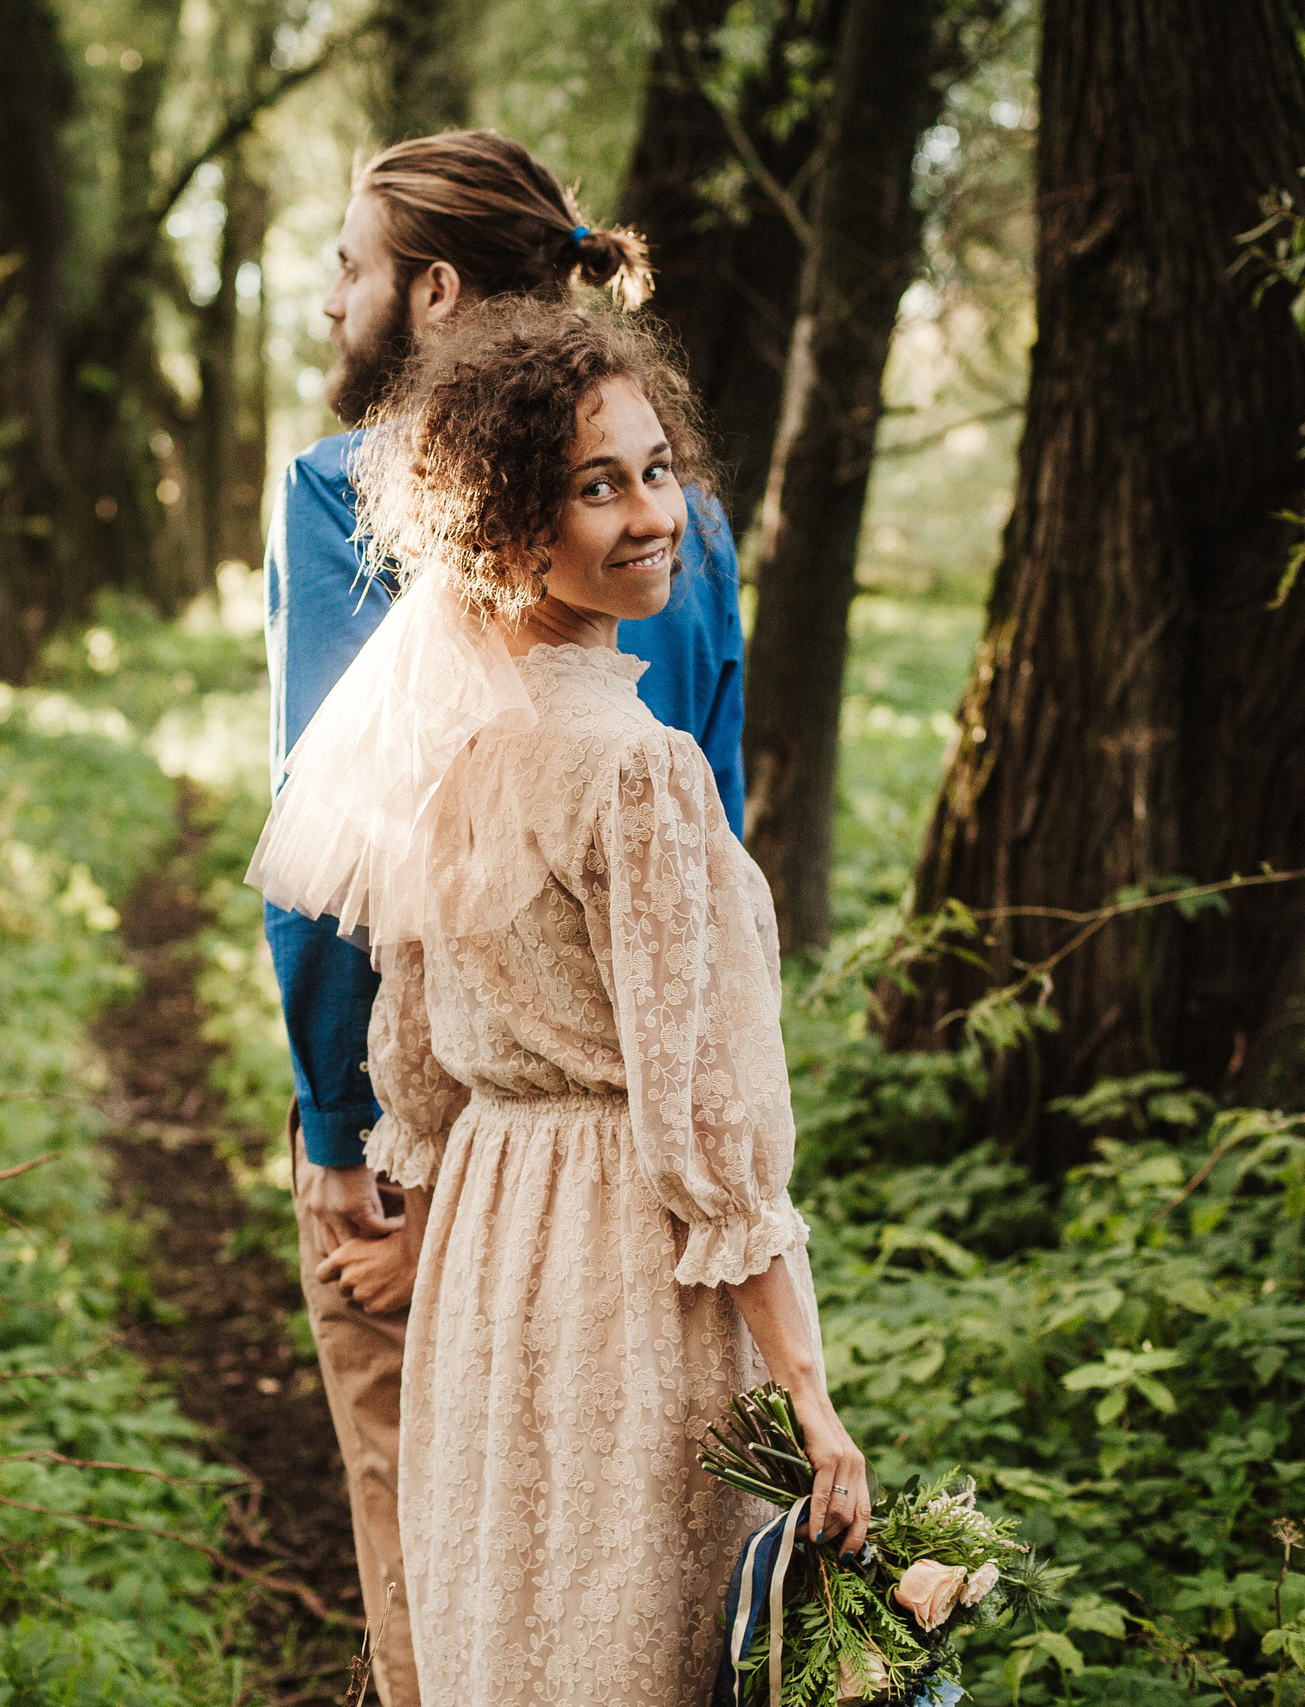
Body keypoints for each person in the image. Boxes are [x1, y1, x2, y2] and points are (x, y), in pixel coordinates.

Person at [250, 299, 865, 1706]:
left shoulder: (449, 748)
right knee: (630, 1643)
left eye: (656, 469)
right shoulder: (640, 772)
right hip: (624, 1277)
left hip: (483, 1264)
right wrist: (812, 1402)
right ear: (508, 521)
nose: (651, 515)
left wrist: (443, 1223)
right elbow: (704, 1128)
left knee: (516, 1637)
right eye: (598, 485)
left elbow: (411, 1063)